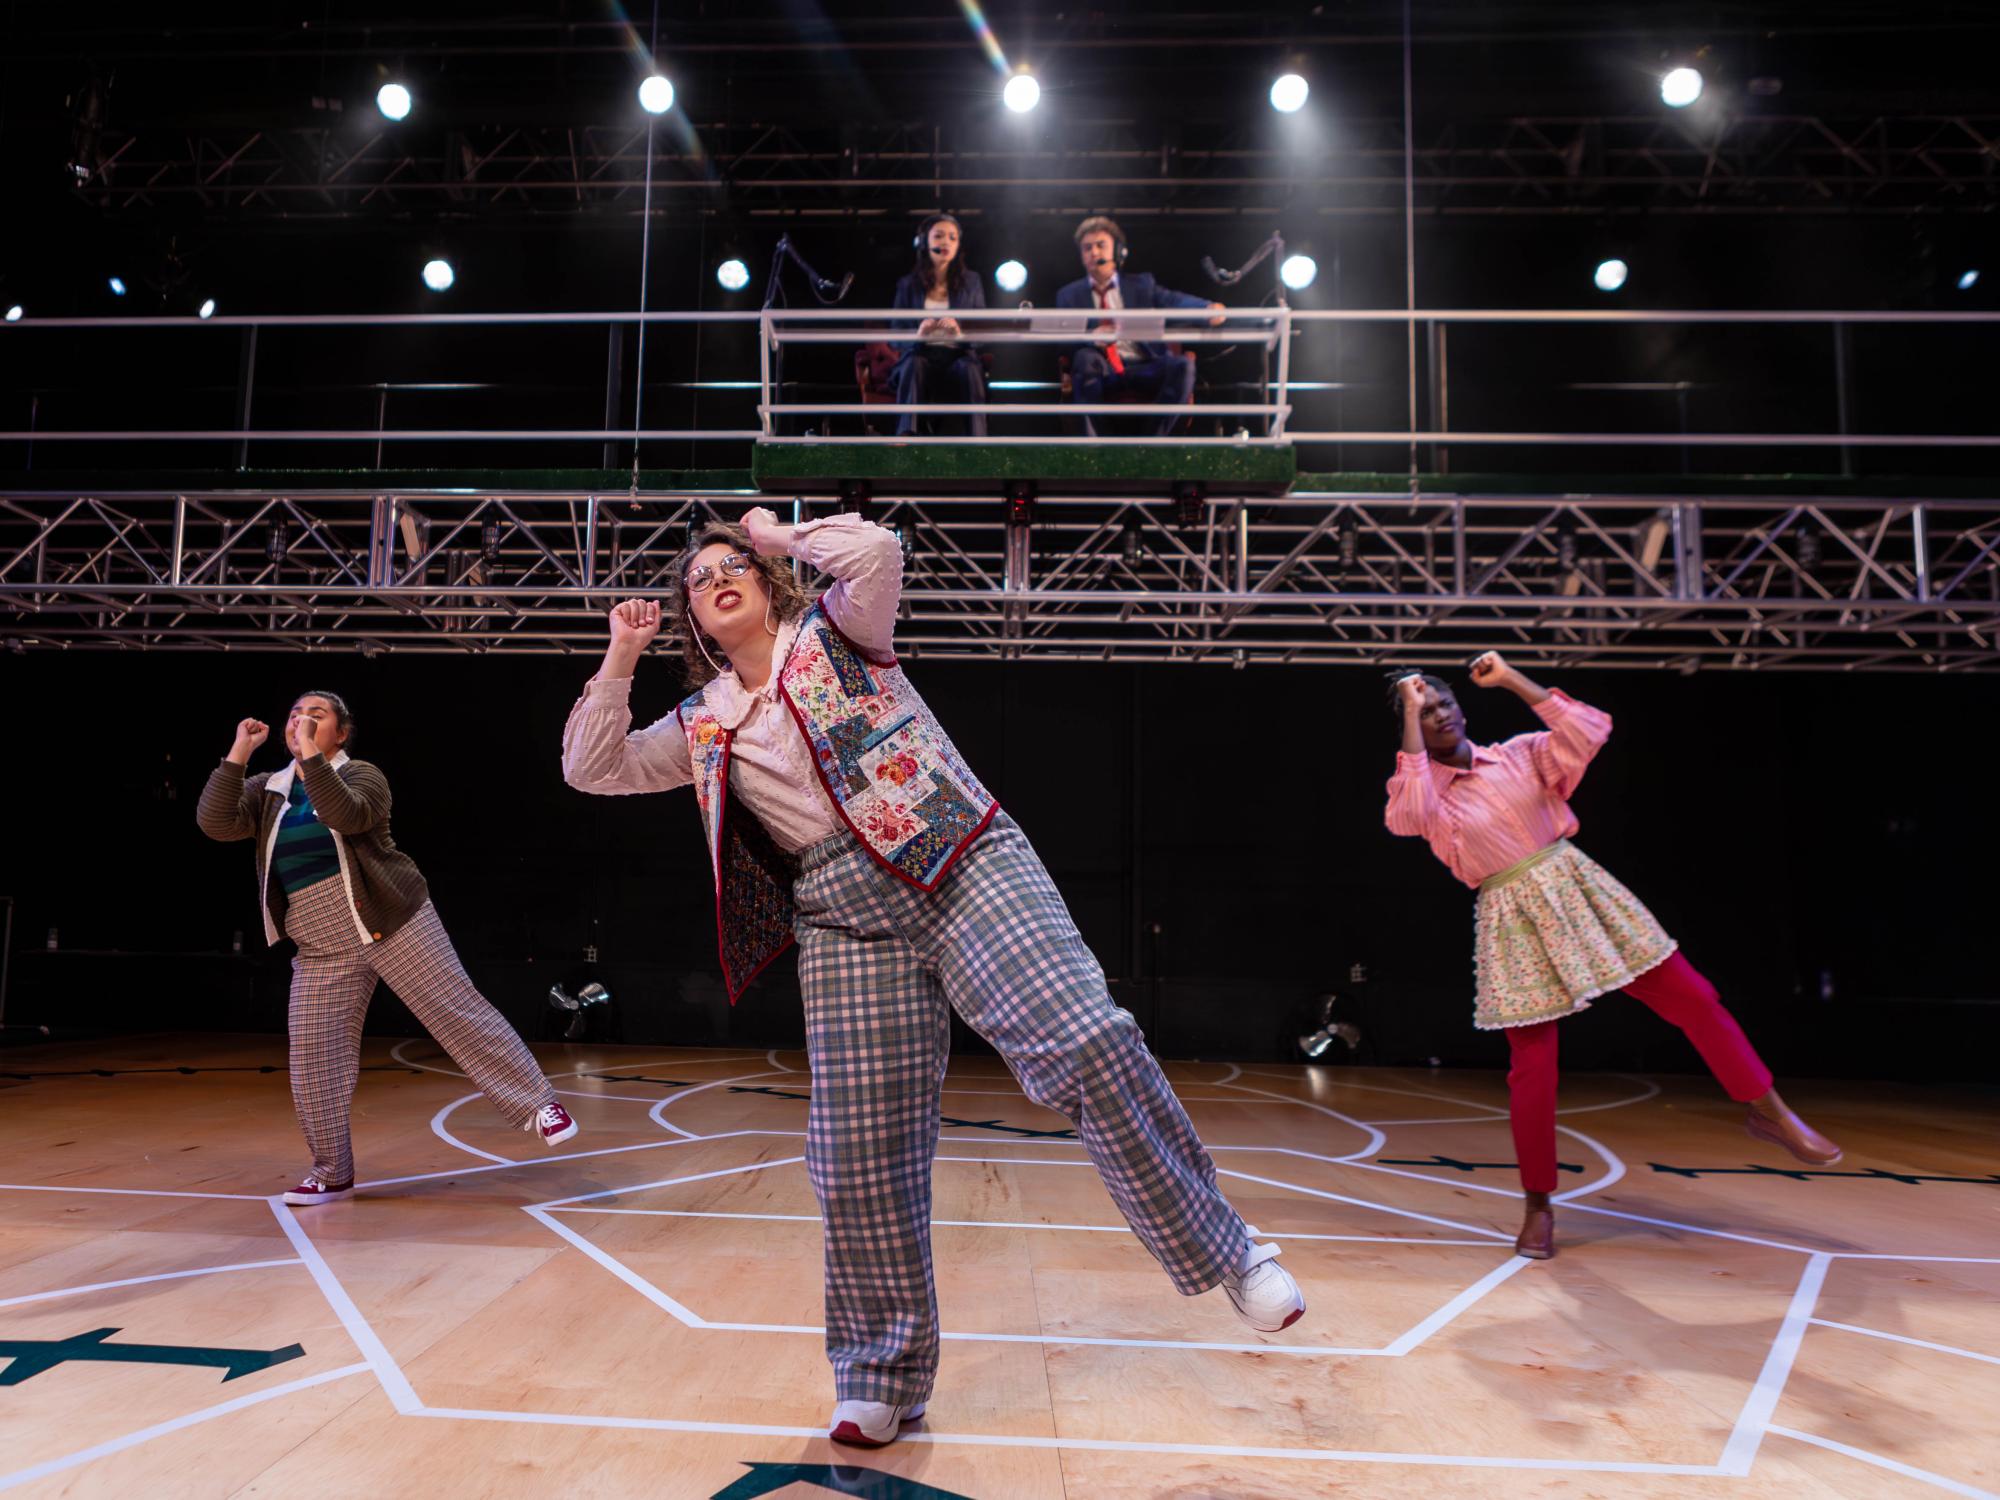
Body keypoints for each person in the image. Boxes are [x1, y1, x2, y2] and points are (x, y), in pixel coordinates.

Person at [561, 508, 1305, 1448]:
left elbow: (875, 549)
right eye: (699, 579)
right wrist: (621, 656)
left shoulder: (841, 629)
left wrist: (776, 534)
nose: (717, 577)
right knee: (854, 1153)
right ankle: (879, 1371)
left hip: (955, 855)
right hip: (839, 915)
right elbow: (592, 768)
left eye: (732, 566)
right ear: (696, 625)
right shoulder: (704, 725)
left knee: (1086, 1040)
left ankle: (1229, 1250)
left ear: (766, 583)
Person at [1383, 654, 1843, 1260]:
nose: (1439, 715)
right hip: (1512, 919)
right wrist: (1410, 721)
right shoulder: (1424, 792)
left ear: (1462, 707)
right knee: (1534, 1065)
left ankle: (1770, 1110)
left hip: (1578, 888)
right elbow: (1406, 815)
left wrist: (1514, 680)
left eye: (1443, 703)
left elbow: (1589, 729)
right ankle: (1538, 1205)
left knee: (1695, 999)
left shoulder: (1519, 754)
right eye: (1424, 711)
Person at [197, 691, 577, 1206]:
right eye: (294, 715)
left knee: (456, 1010)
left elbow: (344, 816)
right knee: (314, 1058)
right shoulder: (270, 791)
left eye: (316, 716)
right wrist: (239, 753)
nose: (301, 721)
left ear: (341, 732)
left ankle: (539, 1104)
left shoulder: (362, 775)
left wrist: (310, 757)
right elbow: (215, 823)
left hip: (391, 920)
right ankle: (331, 1171)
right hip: (320, 941)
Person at [1054, 214, 1224, 437]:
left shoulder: (1142, 284)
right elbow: (1062, 340)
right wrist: (1092, 338)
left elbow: (1173, 301)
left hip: (1144, 366)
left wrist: (1207, 309)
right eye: (1087, 248)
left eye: (1100, 245)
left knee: (1182, 365)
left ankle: (1152, 443)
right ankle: (1099, 446)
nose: (1094, 253)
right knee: (1085, 358)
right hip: (1102, 368)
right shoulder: (1068, 295)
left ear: (1118, 251)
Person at [889, 213, 987, 438]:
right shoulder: (907, 284)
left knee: (970, 367)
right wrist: (918, 335)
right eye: (939, 236)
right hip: (920, 355)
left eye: (953, 238)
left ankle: (980, 441)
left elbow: (982, 333)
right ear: (924, 242)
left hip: (957, 356)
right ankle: (906, 436)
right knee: (913, 363)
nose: (946, 242)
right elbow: (895, 334)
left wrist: (960, 334)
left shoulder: (972, 281)